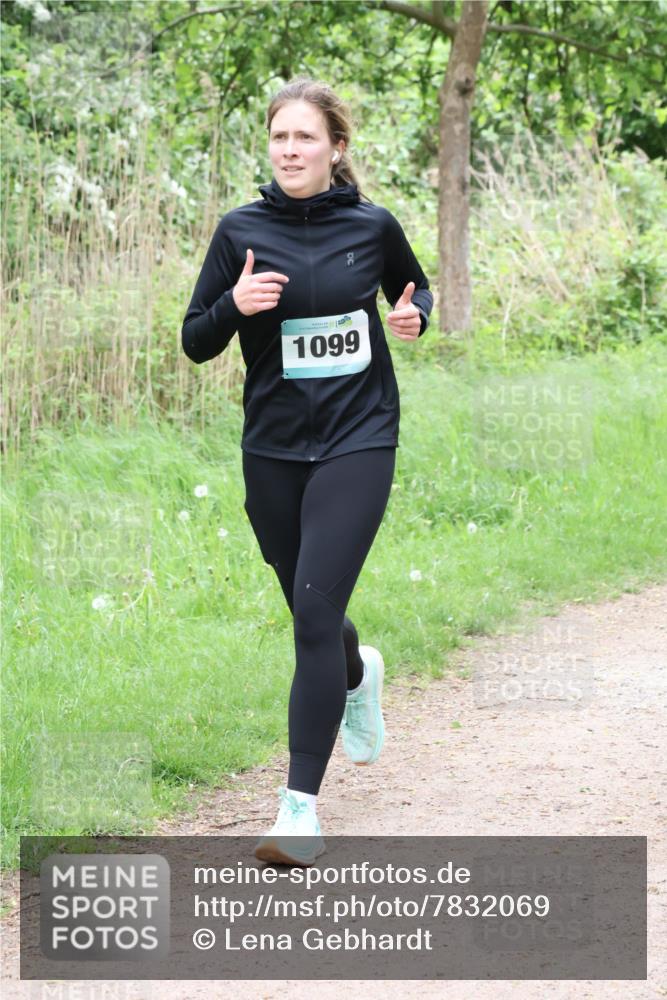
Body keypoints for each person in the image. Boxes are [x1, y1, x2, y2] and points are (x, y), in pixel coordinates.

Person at [181, 76, 433, 866]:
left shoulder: (372, 225)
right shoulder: (239, 231)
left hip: (360, 440)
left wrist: (413, 312)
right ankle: (359, 673)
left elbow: (414, 285)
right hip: (274, 450)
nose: (290, 150)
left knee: (313, 616)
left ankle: (298, 811)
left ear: (336, 148)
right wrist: (235, 305)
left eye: (305, 138)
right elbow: (194, 339)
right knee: (309, 603)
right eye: (279, 137)